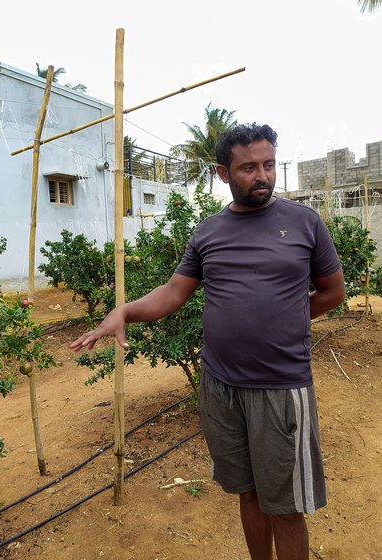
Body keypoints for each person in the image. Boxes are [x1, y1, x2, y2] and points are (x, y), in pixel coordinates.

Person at [70, 123, 345, 560]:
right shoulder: (208, 232)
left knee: (287, 507)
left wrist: (284, 317)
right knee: (247, 493)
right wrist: (124, 311)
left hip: (281, 386)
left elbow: (332, 292)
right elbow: (173, 293)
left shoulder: (303, 222)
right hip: (220, 386)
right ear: (222, 173)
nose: (263, 176)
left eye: (269, 164)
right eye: (249, 167)